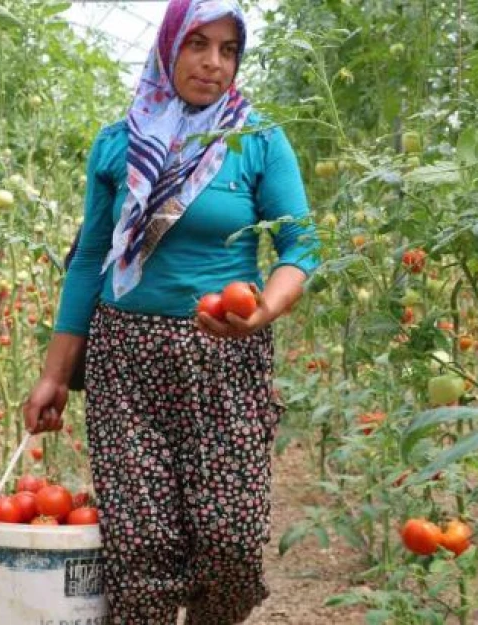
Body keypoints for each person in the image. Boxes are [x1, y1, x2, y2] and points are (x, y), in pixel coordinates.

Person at [21, 0, 319, 622]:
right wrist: (54, 373)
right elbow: (90, 261)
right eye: (197, 44)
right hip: (125, 357)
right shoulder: (119, 143)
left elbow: (301, 246)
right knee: (142, 543)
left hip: (224, 355)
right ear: (169, 47)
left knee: (230, 542)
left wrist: (265, 309)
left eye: (228, 50)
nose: (213, 64)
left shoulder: (256, 141)